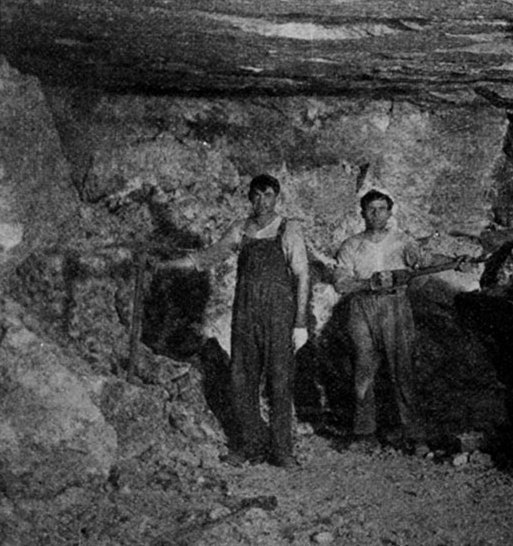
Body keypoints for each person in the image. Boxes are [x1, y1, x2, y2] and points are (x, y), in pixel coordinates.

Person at [159, 173, 311, 468]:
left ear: (276, 197)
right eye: (255, 195)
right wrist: (163, 266)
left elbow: (303, 275)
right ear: (249, 198)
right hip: (245, 314)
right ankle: (250, 445)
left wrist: (300, 323)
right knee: (241, 378)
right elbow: (204, 259)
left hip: (279, 315)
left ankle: (282, 450)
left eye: (267, 195)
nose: (261, 201)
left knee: (280, 380)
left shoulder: (288, 229)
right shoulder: (240, 230)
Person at [333, 189, 429, 453]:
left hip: (395, 306)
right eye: (371, 209)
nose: (376, 214)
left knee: (403, 370)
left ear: (390, 212)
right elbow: (340, 283)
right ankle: (365, 433)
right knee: (363, 370)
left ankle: (415, 434)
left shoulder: (403, 241)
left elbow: (421, 270)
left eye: (382, 209)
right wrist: (369, 282)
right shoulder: (351, 245)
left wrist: (427, 264)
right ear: (362, 213)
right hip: (362, 306)